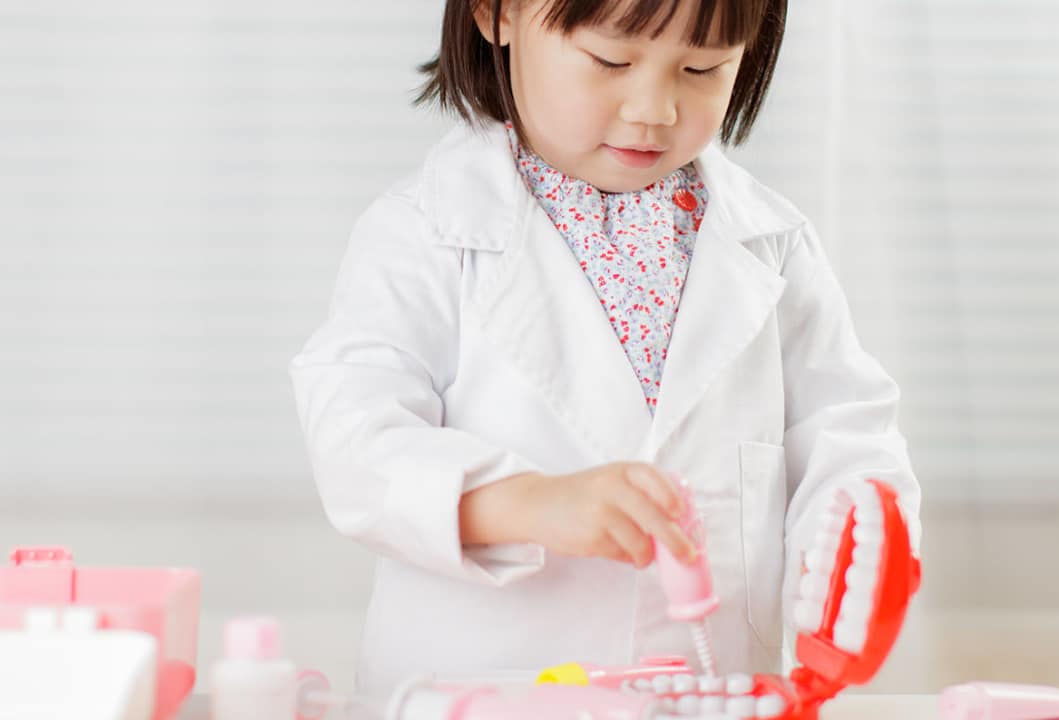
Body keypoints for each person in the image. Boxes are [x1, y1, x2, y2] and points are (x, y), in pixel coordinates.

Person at [290, 0, 922, 697]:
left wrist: (853, 544)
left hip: (714, 689)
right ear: (496, 14)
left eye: (702, 68)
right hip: (483, 688)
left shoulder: (773, 244)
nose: (655, 108)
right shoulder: (421, 234)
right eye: (612, 60)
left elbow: (847, 433)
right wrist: (525, 502)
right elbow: (355, 439)